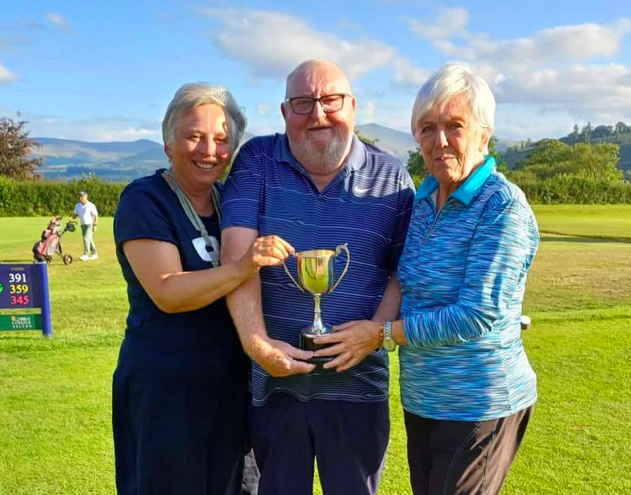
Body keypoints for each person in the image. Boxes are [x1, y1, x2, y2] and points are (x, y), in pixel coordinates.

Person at [318, 63, 540, 495]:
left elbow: (476, 315)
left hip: (479, 402)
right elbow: (404, 276)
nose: (440, 141)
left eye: (455, 126)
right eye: (427, 128)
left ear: (483, 134)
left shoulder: (502, 207)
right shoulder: (422, 200)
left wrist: (381, 334)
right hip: (423, 399)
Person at [220, 59, 415, 495]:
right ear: (286, 111)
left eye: (331, 100)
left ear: (353, 106)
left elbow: (402, 272)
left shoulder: (393, 177)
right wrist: (258, 345)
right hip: (276, 385)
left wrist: (375, 334)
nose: (319, 113)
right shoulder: (256, 161)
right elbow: (238, 256)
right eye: (303, 103)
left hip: (358, 387)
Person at [112, 82, 293, 495]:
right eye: (194, 136)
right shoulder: (145, 199)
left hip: (229, 387)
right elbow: (168, 291)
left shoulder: (231, 200)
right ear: (168, 143)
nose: (208, 150)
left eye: (221, 139)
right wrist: (245, 265)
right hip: (165, 391)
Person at [73, 191, 98, 260]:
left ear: (86, 197)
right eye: (80, 196)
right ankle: (94, 253)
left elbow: (96, 216)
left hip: (89, 224)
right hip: (83, 224)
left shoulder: (91, 205)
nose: (80, 197)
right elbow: (75, 214)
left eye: (82, 196)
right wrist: (72, 221)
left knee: (86, 238)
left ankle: (86, 254)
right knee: (89, 238)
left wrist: (95, 225)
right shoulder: (77, 205)